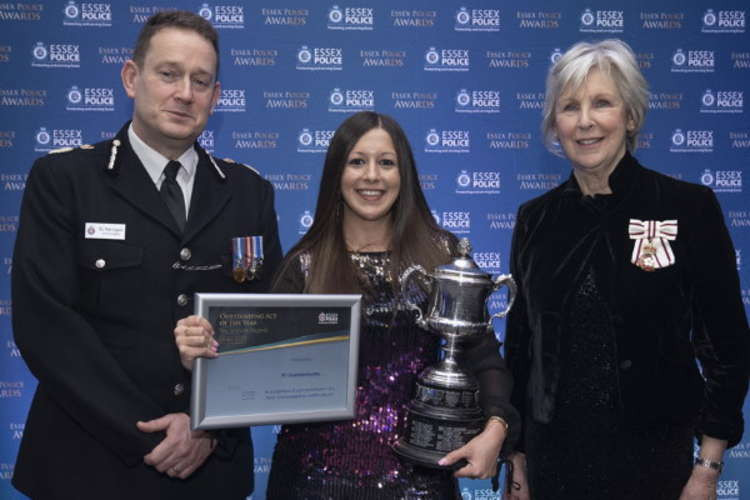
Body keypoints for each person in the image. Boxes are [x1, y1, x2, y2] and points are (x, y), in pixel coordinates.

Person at [175, 111, 520, 499]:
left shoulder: (442, 258)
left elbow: (486, 360)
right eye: (357, 162)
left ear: (403, 174)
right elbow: (257, 371)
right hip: (311, 482)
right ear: (336, 175)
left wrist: (496, 429)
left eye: (386, 163)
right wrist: (208, 363)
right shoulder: (301, 265)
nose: (371, 176)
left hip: (420, 484)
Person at [11, 10, 282, 500]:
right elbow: (45, 326)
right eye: (169, 73)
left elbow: (267, 323)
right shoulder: (65, 181)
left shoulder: (250, 194)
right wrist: (151, 433)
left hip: (210, 469)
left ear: (216, 98)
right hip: (87, 466)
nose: (184, 93)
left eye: (201, 81)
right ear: (131, 78)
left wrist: (206, 427)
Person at [503, 39, 750, 500]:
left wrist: (708, 468)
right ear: (555, 124)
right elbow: (521, 348)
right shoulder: (534, 219)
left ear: (631, 116)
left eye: (602, 103)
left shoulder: (688, 208)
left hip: (657, 467)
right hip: (553, 463)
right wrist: (517, 462)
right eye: (569, 107)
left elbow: (727, 346)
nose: (585, 121)